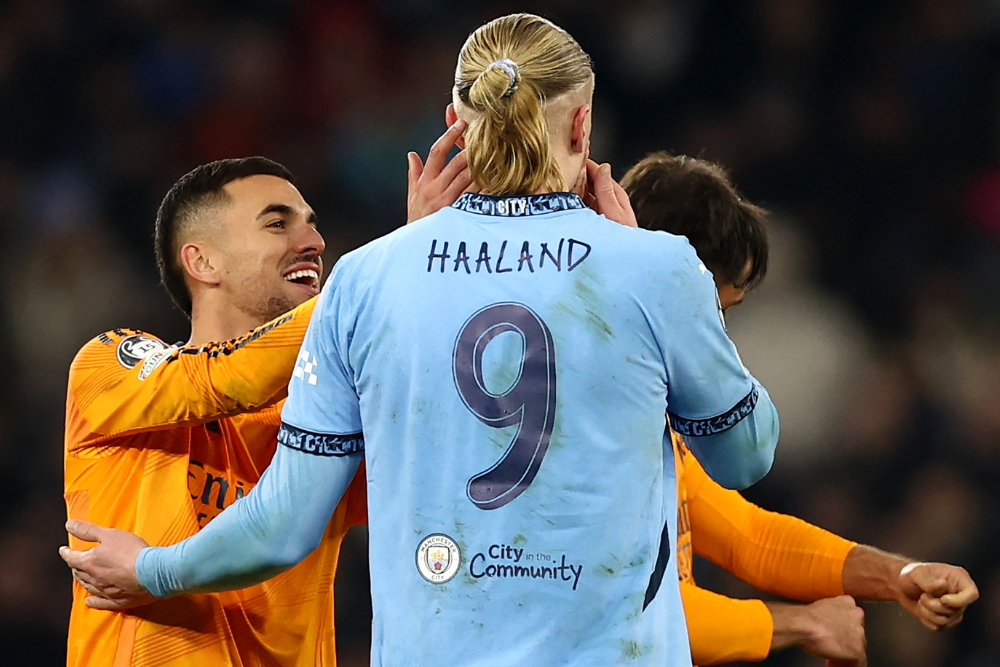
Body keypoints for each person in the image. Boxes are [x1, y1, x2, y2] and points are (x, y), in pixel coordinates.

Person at [61, 14, 780, 666]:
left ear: (455, 125)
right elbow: (745, 455)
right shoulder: (654, 267)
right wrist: (675, 291)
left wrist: (153, 568)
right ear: (582, 125)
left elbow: (283, 526)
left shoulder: (368, 280)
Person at [63, 127, 475, 667]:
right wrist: (397, 263)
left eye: (311, 224)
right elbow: (230, 377)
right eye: (277, 223)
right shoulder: (111, 367)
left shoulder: (331, 407)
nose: (314, 242)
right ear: (202, 262)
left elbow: (454, 454)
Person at [622, 152, 980, 666]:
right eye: (714, 311)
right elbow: (617, 619)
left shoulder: (648, 416)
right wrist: (800, 622)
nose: (716, 338)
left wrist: (899, 576)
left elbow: (751, 538)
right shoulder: (576, 426)